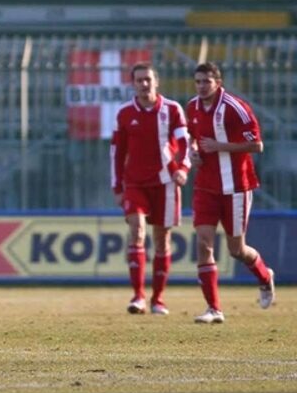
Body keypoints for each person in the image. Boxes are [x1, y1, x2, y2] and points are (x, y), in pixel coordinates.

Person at [187, 62, 275, 324]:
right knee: (203, 243)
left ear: (218, 82)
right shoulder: (192, 106)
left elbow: (257, 145)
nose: (202, 86)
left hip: (236, 187)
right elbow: (193, 137)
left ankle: (264, 276)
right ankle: (214, 309)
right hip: (205, 186)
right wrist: (193, 154)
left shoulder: (235, 108)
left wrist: (219, 146)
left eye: (207, 81)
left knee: (237, 249)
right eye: (198, 81)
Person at [111, 63, 190, 315]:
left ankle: (158, 299)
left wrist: (183, 169)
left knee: (161, 239)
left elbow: (185, 142)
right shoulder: (124, 113)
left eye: (148, 79)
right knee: (136, 229)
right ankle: (138, 297)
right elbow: (117, 152)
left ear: (156, 82)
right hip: (134, 183)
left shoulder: (172, 109)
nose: (144, 84)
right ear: (132, 84)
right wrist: (117, 186)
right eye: (139, 80)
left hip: (165, 182)